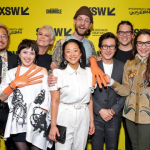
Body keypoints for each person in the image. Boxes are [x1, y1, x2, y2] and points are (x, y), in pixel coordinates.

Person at [0, 39, 51, 150]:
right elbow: (2, 98)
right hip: (19, 123)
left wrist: (43, 116)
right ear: (19, 53)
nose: (28, 56)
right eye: (25, 52)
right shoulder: (10, 73)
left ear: (35, 56)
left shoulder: (42, 71)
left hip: (37, 122)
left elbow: (47, 97)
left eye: (32, 53)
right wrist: (14, 84)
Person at [49, 39, 95, 150]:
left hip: (83, 116)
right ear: (64, 55)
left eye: (75, 50)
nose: (72, 54)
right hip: (64, 115)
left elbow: (89, 100)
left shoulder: (89, 72)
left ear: (80, 53)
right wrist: (53, 125)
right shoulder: (58, 73)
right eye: (68, 51)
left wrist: (91, 122)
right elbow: (54, 101)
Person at [109, 29, 150, 150]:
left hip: (147, 116)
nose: (143, 46)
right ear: (135, 45)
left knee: (144, 148)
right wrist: (111, 82)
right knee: (134, 147)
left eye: (147, 43)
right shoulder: (129, 63)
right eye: (140, 43)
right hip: (129, 115)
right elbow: (126, 90)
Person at [49, 6, 108, 89]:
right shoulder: (61, 43)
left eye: (86, 20)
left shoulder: (90, 45)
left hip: (85, 90)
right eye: (80, 19)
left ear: (90, 25)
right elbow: (54, 70)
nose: (82, 23)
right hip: (65, 90)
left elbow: (93, 67)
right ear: (74, 21)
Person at [90, 32, 125, 150]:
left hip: (114, 117)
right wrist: (99, 109)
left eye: (112, 46)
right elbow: (87, 93)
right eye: (105, 46)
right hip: (95, 117)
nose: (108, 49)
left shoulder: (123, 66)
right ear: (100, 48)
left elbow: (126, 91)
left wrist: (114, 110)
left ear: (116, 48)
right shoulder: (91, 67)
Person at [114, 21, 134, 150]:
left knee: (132, 143)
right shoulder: (110, 52)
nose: (124, 35)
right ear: (117, 34)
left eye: (128, 32)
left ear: (132, 35)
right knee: (111, 141)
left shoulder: (140, 53)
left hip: (132, 105)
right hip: (113, 105)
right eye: (122, 32)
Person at [0, 23, 18, 150]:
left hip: (9, 108)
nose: (0, 40)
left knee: (11, 144)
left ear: (8, 39)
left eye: (3, 36)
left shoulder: (16, 58)